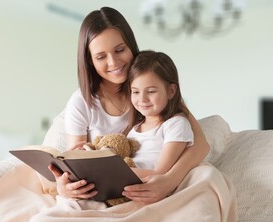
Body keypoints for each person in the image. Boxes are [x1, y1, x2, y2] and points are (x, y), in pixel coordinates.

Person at [48, 6, 210, 204]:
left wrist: (168, 180)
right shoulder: (81, 102)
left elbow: (201, 145)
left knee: (208, 177)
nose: (114, 62)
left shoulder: (152, 88)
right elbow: (74, 162)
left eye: (120, 50)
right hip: (107, 190)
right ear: (90, 61)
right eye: (101, 57)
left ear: (131, 46)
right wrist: (63, 187)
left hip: (149, 182)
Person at [124, 50, 193, 177]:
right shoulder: (133, 130)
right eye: (136, 92)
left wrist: (119, 173)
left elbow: (160, 173)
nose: (142, 99)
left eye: (150, 91)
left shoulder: (176, 124)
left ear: (171, 91)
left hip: (151, 186)